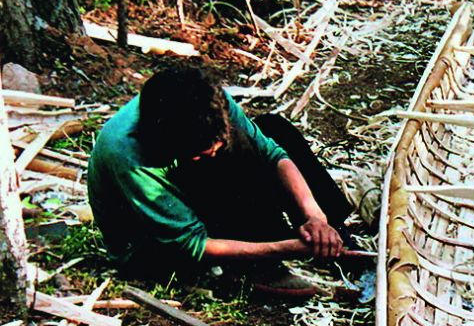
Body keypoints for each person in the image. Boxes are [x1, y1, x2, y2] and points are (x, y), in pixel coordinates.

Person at [87, 66, 357, 297]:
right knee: (214, 169)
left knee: (273, 128)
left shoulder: (210, 101)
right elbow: (190, 243)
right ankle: (257, 265)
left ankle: (331, 234)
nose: (214, 151)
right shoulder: (129, 156)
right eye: (203, 152)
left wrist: (315, 217)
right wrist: (283, 249)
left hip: (191, 186)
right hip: (150, 245)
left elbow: (272, 154)